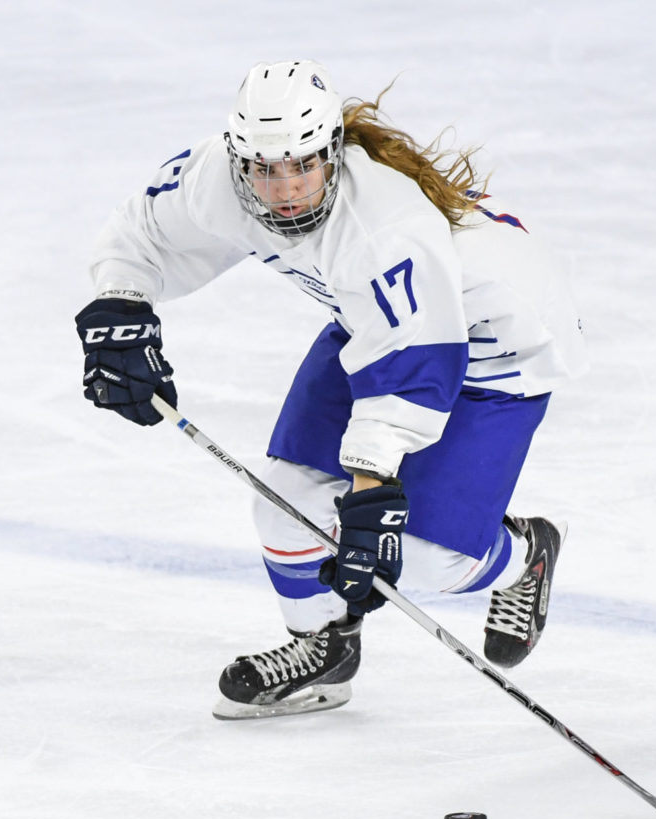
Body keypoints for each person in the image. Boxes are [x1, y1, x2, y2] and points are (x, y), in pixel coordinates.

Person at [75, 60, 587, 718]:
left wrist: (373, 490)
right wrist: (122, 307)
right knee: (284, 500)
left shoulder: (382, 228)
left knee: (419, 561)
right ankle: (325, 650)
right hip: (375, 326)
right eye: (265, 169)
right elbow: (142, 231)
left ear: (333, 155)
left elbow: (414, 363)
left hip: (498, 348)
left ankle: (524, 555)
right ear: (238, 159)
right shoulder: (221, 180)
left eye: (302, 166)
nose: (284, 188)